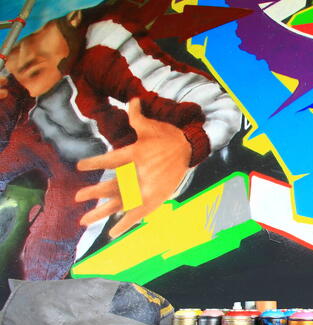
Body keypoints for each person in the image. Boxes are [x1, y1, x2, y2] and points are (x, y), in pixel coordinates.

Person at [0, 6, 242, 279]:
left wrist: (184, 146)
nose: (22, 57)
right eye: (14, 47)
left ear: (72, 17)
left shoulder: (104, 46)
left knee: (50, 247)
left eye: (33, 38)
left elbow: (218, 108)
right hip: (37, 146)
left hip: (102, 168)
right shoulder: (17, 70)